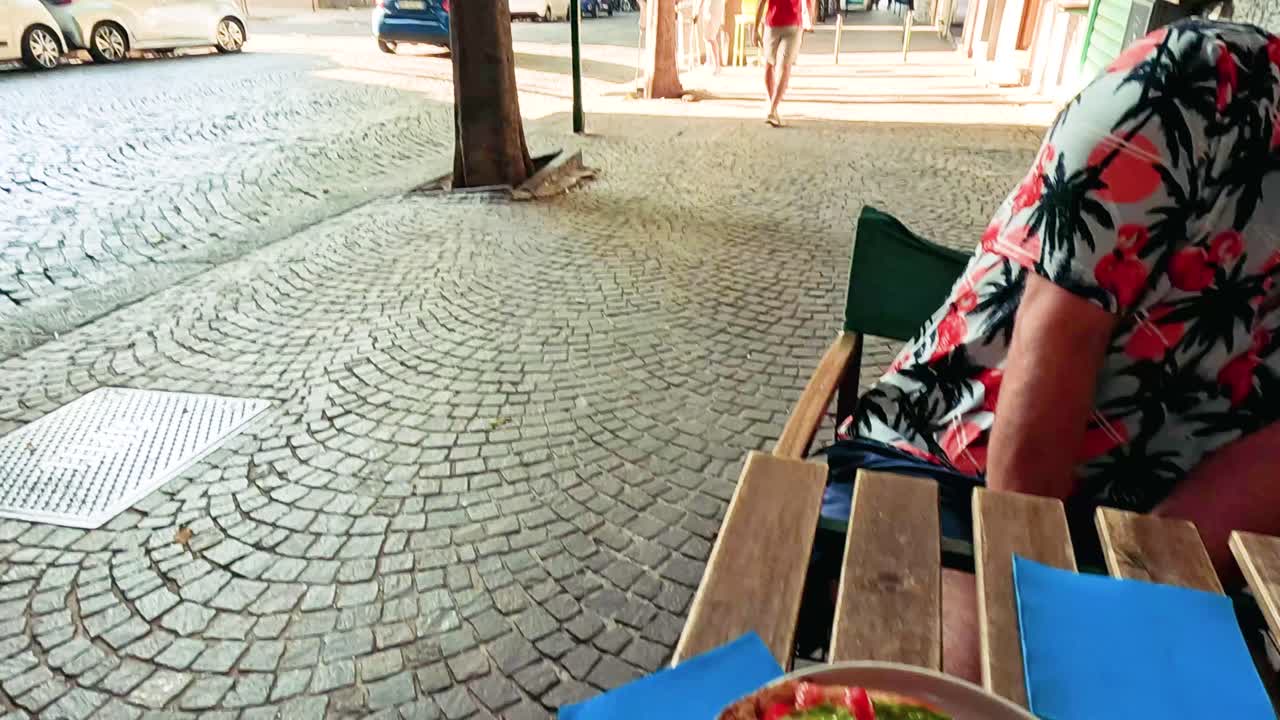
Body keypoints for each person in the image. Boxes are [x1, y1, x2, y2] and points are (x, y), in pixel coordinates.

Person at [810, 18, 1280, 677]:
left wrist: (1130, 607)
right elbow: (1056, 341)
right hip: (944, 471)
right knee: (975, 688)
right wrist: (1051, 632)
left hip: (1154, 536)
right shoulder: (1206, 81)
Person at [754, 0, 803, 126]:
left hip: (788, 24)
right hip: (777, 24)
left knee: (780, 65)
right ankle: (773, 108)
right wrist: (755, 28)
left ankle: (772, 109)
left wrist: (755, 28)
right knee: (774, 65)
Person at [697, 0, 725, 73]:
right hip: (708, 10)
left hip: (714, 10)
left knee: (711, 38)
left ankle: (717, 65)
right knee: (707, 37)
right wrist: (698, 9)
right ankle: (711, 62)